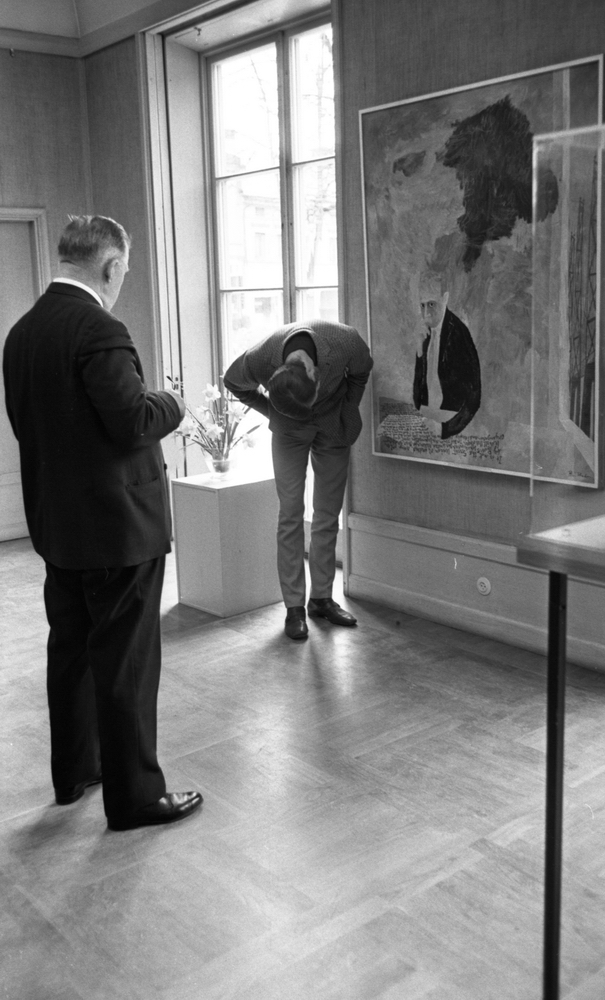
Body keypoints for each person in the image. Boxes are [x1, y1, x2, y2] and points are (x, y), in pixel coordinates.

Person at [2, 215, 203, 831]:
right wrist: (174, 402)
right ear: (111, 266)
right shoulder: (100, 329)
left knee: (71, 651)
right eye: (124, 271)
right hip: (118, 529)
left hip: (58, 525)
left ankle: (76, 772)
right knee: (127, 663)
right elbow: (133, 420)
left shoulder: (23, 332)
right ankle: (135, 797)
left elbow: (32, 427)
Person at [224, 319, 373, 640]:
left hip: (333, 424)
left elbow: (362, 370)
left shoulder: (346, 341)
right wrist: (275, 411)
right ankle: (294, 608)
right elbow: (232, 381)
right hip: (288, 430)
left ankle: (321, 599)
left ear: (314, 372)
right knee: (290, 513)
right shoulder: (260, 358)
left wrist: (349, 407)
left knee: (327, 514)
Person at [412, 273, 481, 439]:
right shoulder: (424, 332)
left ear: (445, 299)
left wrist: (446, 429)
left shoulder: (459, 334)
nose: (426, 313)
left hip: (452, 426)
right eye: (422, 305)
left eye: (431, 304)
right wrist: (420, 354)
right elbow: (418, 398)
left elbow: (474, 396)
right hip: (428, 420)